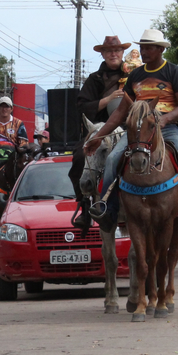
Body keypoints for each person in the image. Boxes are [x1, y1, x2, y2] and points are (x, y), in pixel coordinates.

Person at [84, 28, 178, 230]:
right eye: (142, 48)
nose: (143, 52)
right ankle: (107, 208)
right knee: (112, 159)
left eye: (149, 48)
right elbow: (120, 112)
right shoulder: (135, 75)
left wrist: (165, 119)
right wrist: (98, 137)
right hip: (138, 129)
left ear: (160, 49)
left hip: (168, 128)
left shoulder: (174, 71)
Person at [70, 36, 130, 229]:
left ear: (122, 53)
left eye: (117, 50)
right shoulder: (94, 79)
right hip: (100, 130)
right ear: (102, 54)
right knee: (80, 156)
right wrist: (109, 99)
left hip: (129, 129)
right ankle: (84, 205)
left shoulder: (134, 75)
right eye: (109, 51)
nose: (114, 54)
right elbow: (82, 107)